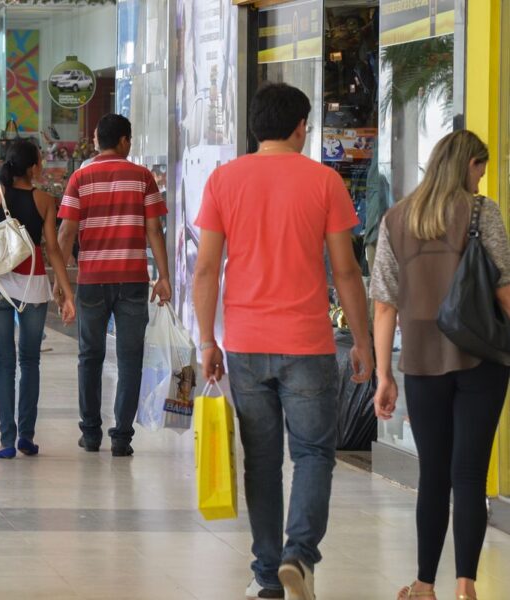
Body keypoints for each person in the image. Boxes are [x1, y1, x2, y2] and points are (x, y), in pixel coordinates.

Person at [192, 83, 372, 600]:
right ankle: (300, 555)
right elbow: (346, 271)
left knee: (262, 461)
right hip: (309, 345)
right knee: (315, 454)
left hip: (246, 344)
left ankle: (269, 574)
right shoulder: (324, 181)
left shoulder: (224, 181)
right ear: (299, 127)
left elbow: (207, 269)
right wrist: (362, 341)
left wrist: (208, 340)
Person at [370, 130, 510, 600]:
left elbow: (385, 304)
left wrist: (384, 374)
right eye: (480, 169)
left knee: (434, 473)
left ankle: (425, 585)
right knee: (470, 473)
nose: (481, 179)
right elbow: (504, 287)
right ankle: (466, 583)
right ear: (467, 164)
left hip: (423, 359)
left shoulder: (395, 219)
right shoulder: (481, 212)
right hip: (482, 357)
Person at [55, 113, 171, 458]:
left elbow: (65, 233)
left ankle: (90, 433)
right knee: (130, 358)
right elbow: (154, 231)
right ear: (124, 141)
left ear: (96, 140)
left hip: (92, 280)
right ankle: (122, 436)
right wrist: (163, 277)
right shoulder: (142, 177)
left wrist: (62, 283)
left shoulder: (80, 178)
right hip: (133, 279)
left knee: (89, 356)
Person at [0, 140, 76, 459]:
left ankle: (6, 441)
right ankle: (26, 436)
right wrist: (66, 292)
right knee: (30, 361)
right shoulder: (45, 200)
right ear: (32, 168)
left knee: (4, 363)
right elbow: (53, 249)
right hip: (34, 286)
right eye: (40, 161)